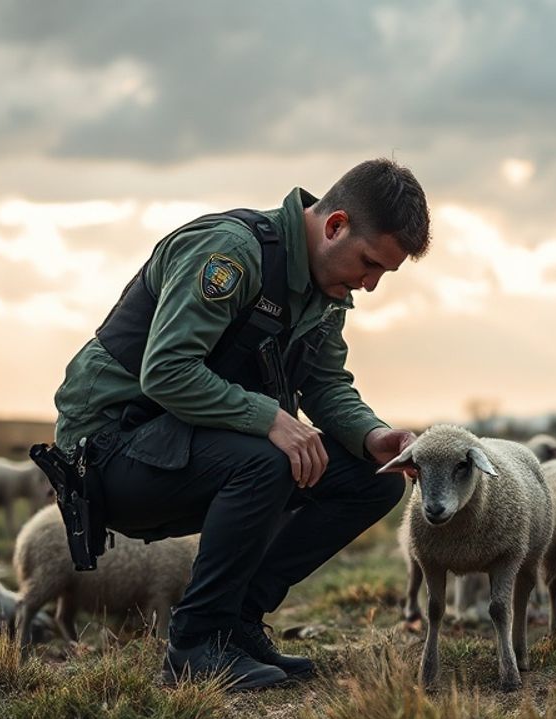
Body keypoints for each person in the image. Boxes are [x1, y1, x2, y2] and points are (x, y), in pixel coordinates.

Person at [50, 159, 430, 689]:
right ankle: (196, 644)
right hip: (110, 452)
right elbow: (166, 371)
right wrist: (269, 418)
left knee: (375, 477)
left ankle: (237, 624)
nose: (369, 285)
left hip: (190, 448)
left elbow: (323, 384)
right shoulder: (229, 252)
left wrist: (372, 436)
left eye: (383, 274)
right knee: (272, 457)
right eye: (369, 264)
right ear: (335, 225)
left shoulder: (327, 290)